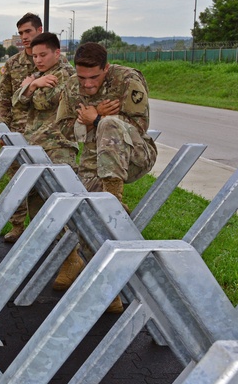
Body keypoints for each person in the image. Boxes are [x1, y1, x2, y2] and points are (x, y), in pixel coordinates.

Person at [43, 41, 157, 311]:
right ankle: (109, 290)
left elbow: (140, 126)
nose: (87, 84)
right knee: (84, 209)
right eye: (82, 77)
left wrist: (98, 120)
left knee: (108, 123)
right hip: (96, 163)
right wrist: (84, 122)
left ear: (106, 68)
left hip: (136, 155)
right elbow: (63, 130)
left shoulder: (127, 79)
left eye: (94, 77)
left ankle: (113, 198)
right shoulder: (73, 86)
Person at [5, 31, 77, 244]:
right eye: (35, 56)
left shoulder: (66, 74)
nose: (38, 60)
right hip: (36, 146)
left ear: (57, 53)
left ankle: (70, 256)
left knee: (60, 203)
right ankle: (47, 252)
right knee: (37, 204)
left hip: (58, 146)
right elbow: (17, 101)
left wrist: (29, 87)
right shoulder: (39, 76)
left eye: (43, 55)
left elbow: (44, 102)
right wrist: (34, 85)